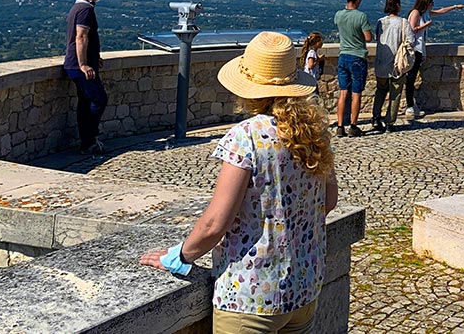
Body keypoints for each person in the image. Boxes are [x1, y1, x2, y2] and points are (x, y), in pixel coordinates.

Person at [140, 32, 338, 333]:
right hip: (304, 288)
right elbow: (330, 200)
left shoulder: (247, 136)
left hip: (251, 298)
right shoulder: (313, 133)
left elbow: (215, 223)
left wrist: (178, 256)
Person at [63, 0, 108, 155]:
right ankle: (89, 139)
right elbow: (80, 37)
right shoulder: (85, 10)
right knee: (99, 99)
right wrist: (84, 64)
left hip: (74, 64)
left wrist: (93, 57)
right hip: (79, 66)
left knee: (85, 102)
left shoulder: (77, 9)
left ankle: (87, 141)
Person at [404, 0, 464, 120]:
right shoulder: (415, 13)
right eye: (431, 3)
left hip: (419, 49)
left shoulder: (424, 13)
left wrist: (454, 7)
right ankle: (409, 105)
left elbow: (440, 11)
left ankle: (412, 105)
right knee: (410, 78)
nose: (433, 5)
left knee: (412, 77)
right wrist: (426, 25)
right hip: (414, 49)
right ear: (426, 3)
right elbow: (412, 29)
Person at [334, 0, 373, 137]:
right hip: (357, 57)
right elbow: (368, 37)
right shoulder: (361, 16)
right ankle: (353, 126)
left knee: (343, 93)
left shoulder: (338, 15)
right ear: (358, 0)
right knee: (356, 93)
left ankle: (339, 126)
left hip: (343, 56)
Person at [372, 0, 410, 132]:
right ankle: (389, 122)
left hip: (381, 62)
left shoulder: (380, 22)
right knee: (395, 93)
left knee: (380, 90)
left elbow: (377, 38)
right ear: (398, 6)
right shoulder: (403, 23)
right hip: (397, 64)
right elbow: (410, 41)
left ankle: (375, 117)